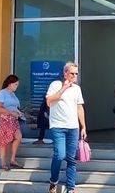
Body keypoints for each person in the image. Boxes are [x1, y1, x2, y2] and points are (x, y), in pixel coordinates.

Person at [45, 62, 87, 193]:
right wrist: (64, 88)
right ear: (65, 73)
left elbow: (79, 107)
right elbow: (49, 101)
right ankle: (53, 181)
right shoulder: (55, 85)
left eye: (76, 74)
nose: (74, 76)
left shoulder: (77, 89)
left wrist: (83, 127)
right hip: (58, 126)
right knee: (59, 155)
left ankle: (70, 188)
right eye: (72, 73)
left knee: (71, 158)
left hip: (73, 128)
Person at [0, 74, 25, 171]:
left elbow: (15, 107)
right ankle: (3, 162)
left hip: (13, 120)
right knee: (4, 140)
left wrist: (19, 113)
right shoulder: (2, 93)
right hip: (4, 119)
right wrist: (10, 113)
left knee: (18, 137)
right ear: (10, 84)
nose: (16, 86)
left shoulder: (13, 95)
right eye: (15, 84)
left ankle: (12, 160)